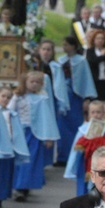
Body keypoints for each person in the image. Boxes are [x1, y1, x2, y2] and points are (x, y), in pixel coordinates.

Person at [9, 71, 60, 201]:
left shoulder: (42, 98)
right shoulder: (19, 96)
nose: (34, 84)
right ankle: (18, 185)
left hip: (35, 134)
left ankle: (23, 187)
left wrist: (49, 136)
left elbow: (47, 118)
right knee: (19, 159)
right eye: (32, 82)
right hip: (19, 132)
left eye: (37, 82)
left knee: (30, 161)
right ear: (25, 82)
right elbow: (10, 110)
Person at [56, 37, 97, 164]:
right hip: (63, 96)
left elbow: (86, 79)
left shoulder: (81, 61)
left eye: (67, 45)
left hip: (75, 96)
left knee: (75, 125)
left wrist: (87, 97)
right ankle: (62, 155)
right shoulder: (60, 61)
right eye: (63, 44)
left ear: (73, 46)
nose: (64, 47)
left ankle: (75, 155)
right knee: (61, 126)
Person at [65, 100, 105, 196]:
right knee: (83, 183)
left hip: (102, 162)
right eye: (93, 112)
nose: (95, 115)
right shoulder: (83, 129)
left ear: (103, 114)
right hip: (85, 162)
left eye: (98, 112)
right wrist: (72, 165)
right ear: (89, 114)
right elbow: (75, 150)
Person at [86, 31, 105, 101]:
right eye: (98, 38)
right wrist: (103, 55)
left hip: (104, 80)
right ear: (94, 40)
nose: (100, 40)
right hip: (94, 80)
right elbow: (93, 61)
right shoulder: (90, 51)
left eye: (102, 39)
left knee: (104, 100)